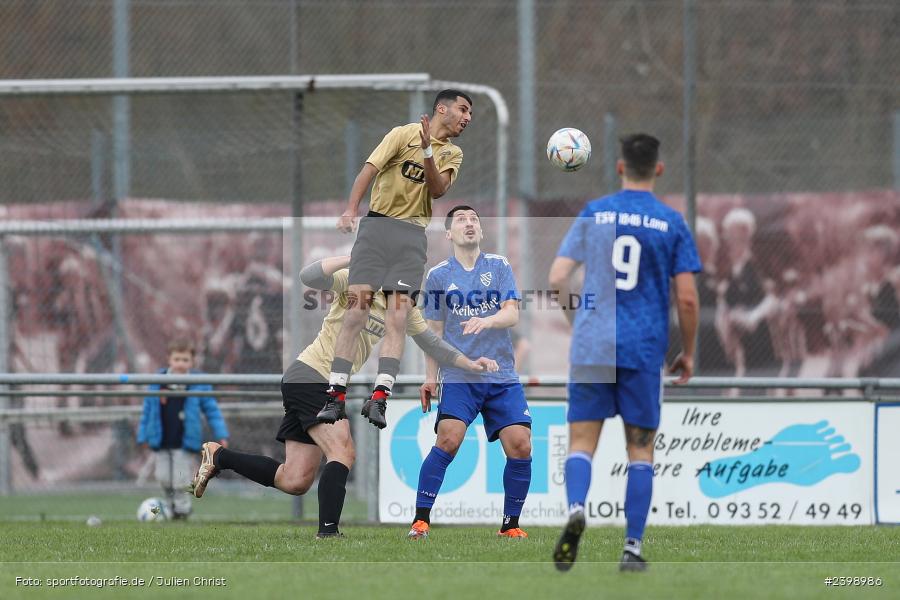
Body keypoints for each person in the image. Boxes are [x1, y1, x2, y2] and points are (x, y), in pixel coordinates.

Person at [191, 256, 497, 539]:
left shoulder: (402, 306)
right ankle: (328, 534)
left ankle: (219, 456)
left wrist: (469, 363)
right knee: (344, 450)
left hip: (316, 382)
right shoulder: (359, 282)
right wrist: (357, 257)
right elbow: (309, 276)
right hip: (312, 375)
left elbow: (432, 343)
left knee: (295, 479)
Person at [548, 134, 700, 572]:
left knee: (581, 444)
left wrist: (577, 320)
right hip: (643, 348)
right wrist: (687, 352)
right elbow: (687, 300)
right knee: (641, 451)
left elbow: (558, 275)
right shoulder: (671, 222)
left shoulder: (596, 212)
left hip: (594, 344)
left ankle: (577, 508)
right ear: (659, 168)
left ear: (619, 167)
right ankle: (631, 548)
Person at [319, 90, 473, 430]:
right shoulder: (401, 134)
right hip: (376, 230)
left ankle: (380, 397)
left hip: (411, 239)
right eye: (462, 109)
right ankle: (335, 396)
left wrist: (428, 151)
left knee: (398, 316)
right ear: (441, 109)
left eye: (469, 113)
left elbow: (437, 190)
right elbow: (369, 170)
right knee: (357, 308)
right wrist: (351, 209)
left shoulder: (453, 153)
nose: (467, 117)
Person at [408, 206, 532, 540]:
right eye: (461, 220)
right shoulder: (438, 276)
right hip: (460, 375)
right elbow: (432, 332)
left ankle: (510, 525)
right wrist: (430, 377)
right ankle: (420, 520)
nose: (469, 223)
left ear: (480, 230)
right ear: (448, 234)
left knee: (520, 445)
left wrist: (486, 320)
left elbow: (512, 314)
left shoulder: (499, 265)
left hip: (501, 374)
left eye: (474, 219)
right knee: (448, 438)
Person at [137, 338, 229, 519]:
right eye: (177, 359)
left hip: (184, 442)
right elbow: (147, 411)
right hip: (162, 441)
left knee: (180, 478)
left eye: (185, 360)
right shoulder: (157, 382)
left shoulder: (198, 383)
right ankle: (169, 506)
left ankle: (183, 509)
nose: (180, 364)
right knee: (163, 476)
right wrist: (143, 436)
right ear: (169, 359)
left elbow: (212, 410)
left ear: (192, 361)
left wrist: (221, 434)